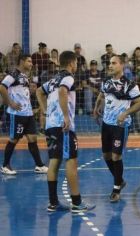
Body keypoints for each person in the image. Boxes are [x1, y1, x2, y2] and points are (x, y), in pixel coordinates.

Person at [36, 51, 95, 212]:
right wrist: (65, 117)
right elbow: (63, 92)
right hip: (63, 126)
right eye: (76, 62)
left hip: (51, 125)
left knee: (54, 162)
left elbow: (39, 91)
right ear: (71, 63)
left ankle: (53, 203)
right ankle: (77, 203)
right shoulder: (68, 77)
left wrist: (46, 111)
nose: (77, 65)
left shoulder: (54, 78)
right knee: (71, 161)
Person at [93, 55, 140, 202]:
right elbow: (101, 96)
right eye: (109, 63)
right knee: (106, 156)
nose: (110, 66)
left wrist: (125, 113)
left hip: (120, 125)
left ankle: (116, 188)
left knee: (116, 156)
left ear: (122, 65)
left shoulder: (130, 84)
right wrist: (96, 108)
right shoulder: (106, 82)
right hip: (106, 124)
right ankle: (120, 180)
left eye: (113, 63)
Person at [0, 54, 48, 175]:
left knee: (33, 139)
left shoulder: (24, 76)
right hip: (17, 114)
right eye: (29, 61)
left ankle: (39, 165)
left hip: (28, 113)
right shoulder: (13, 74)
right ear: (22, 61)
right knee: (14, 139)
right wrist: (10, 103)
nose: (31, 64)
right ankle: (5, 166)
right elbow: (2, 87)